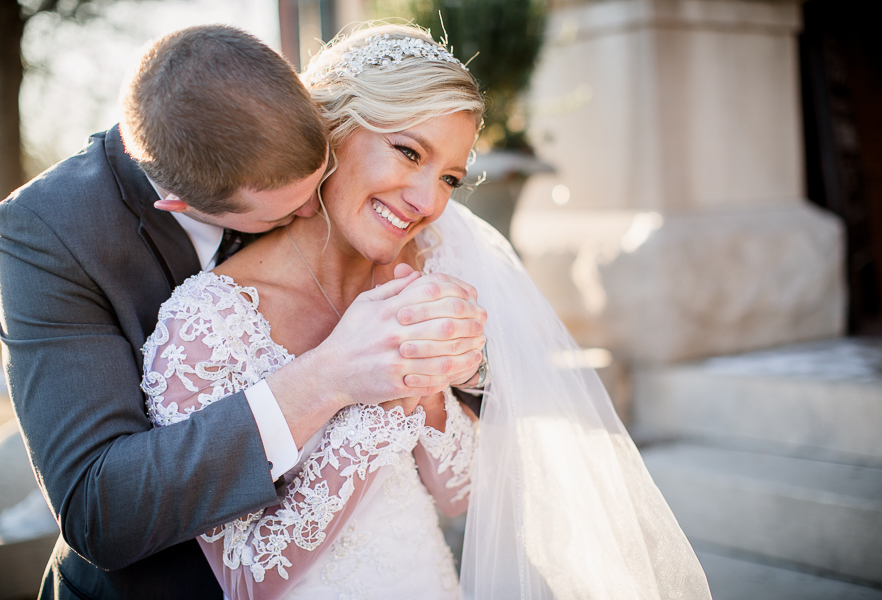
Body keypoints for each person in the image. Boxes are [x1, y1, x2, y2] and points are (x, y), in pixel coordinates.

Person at [143, 24, 713, 600]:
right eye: (408, 151)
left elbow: (456, 496)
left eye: (449, 178)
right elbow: (245, 576)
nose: (429, 201)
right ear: (332, 130)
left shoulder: (429, 268)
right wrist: (378, 400)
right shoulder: (206, 325)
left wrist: (435, 385)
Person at [0, 26, 486, 600]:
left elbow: (462, 477)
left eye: (451, 177)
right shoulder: (51, 234)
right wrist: (340, 375)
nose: (308, 209)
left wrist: (449, 368)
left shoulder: (390, 228)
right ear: (182, 205)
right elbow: (100, 509)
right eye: (408, 151)